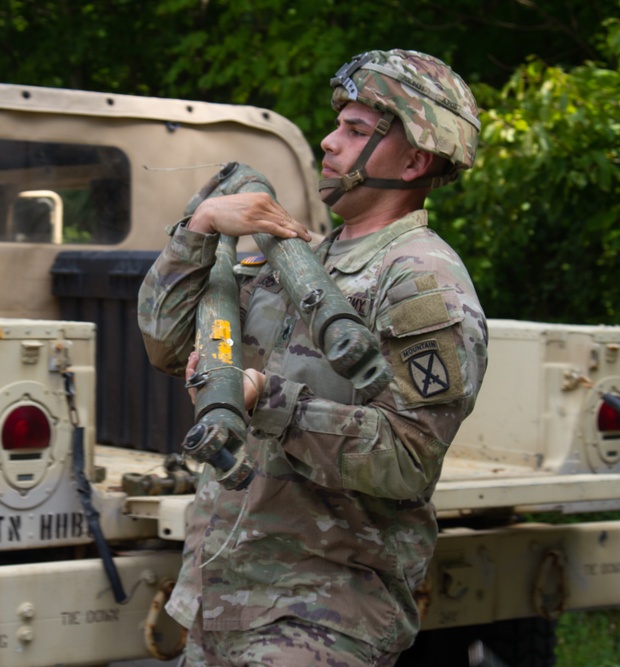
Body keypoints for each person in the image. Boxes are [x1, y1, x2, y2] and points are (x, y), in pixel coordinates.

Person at [138, 49, 488, 666]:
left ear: (414, 160)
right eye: (338, 124)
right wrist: (200, 228)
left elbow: (406, 459)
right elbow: (165, 345)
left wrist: (265, 400)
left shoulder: (419, 282)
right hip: (221, 600)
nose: (329, 142)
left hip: (321, 617)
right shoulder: (295, 258)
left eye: (356, 131)